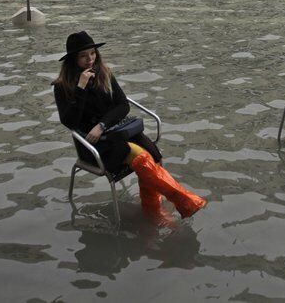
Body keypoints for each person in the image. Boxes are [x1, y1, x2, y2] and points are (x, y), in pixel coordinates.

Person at [52, 31, 205, 219]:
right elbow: (69, 122)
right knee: (142, 158)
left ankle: (153, 211)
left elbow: (123, 105)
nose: (90, 59)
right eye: (83, 56)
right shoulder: (62, 86)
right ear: (72, 60)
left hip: (117, 132)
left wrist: (102, 124)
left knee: (152, 154)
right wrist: (81, 88)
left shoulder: (104, 73)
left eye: (92, 53)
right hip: (92, 145)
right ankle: (181, 203)